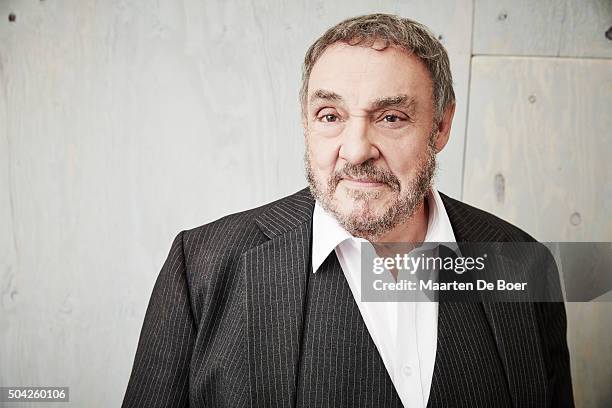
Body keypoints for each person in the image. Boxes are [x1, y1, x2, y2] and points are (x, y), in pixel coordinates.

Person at [122, 13, 573, 408]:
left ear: (441, 126)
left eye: (391, 117)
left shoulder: (521, 263)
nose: (356, 151)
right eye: (330, 115)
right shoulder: (200, 265)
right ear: (306, 122)